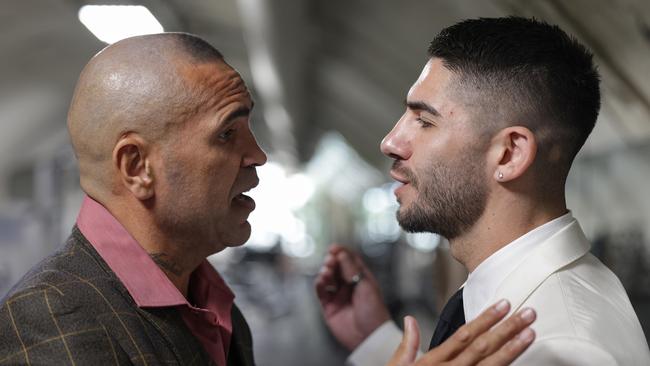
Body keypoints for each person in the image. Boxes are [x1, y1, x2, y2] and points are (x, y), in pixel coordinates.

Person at [0, 33, 533, 365]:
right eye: (227, 134)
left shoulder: (208, 303)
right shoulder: (50, 320)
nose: (257, 156)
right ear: (137, 168)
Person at [315, 16, 650, 366]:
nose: (389, 142)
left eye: (425, 121)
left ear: (509, 153)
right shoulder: (515, 293)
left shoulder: (560, 348)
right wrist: (375, 342)